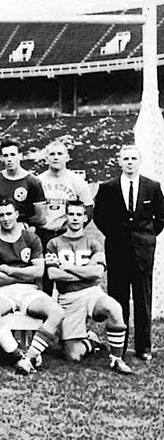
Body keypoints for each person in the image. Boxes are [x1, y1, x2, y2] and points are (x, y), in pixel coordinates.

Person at [93, 145, 164, 361]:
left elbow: (160, 218)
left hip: (143, 251)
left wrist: (146, 237)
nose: (130, 162)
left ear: (139, 161)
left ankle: (144, 347)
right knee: (118, 298)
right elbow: (100, 217)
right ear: (119, 161)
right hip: (117, 249)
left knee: (143, 299)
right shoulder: (108, 187)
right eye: (126, 158)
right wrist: (116, 235)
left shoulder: (152, 187)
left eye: (134, 158)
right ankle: (118, 347)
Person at [47, 201, 133, 374]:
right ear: (66, 216)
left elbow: (97, 273)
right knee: (73, 356)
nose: (75, 218)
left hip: (91, 292)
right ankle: (91, 340)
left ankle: (116, 359)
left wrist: (66, 267)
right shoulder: (54, 243)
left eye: (79, 214)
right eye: (71, 214)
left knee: (114, 308)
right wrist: (84, 271)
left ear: (85, 217)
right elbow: (53, 275)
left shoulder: (93, 242)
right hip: (68, 297)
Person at [0, 199, 63, 375]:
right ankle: (17, 355)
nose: (5, 218)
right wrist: (22, 273)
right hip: (3, 291)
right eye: (1, 215)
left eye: (8, 214)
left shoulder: (31, 238)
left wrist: (9, 271)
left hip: (29, 290)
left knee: (56, 312)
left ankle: (30, 356)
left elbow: (38, 272)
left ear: (16, 214)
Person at [37, 140, 94, 294]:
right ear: (46, 158)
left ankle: (71, 310)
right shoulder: (39, 181)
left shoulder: (76, 181)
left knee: (68, 275)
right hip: (44, 233)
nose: (56, 157)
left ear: (67, 157)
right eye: (52, 154)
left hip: (66, 235)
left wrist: (72, 228)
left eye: (60, 154)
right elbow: (32, 210)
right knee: (44, 280)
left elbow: (88, 210)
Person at [0, 139, 46, 234]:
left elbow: (40, 217)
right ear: (1, 158)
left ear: (20, 156)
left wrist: (23, 224)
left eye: (12, 155)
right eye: (6, 156)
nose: (9, 159)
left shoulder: (33, 182)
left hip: (22, 228)